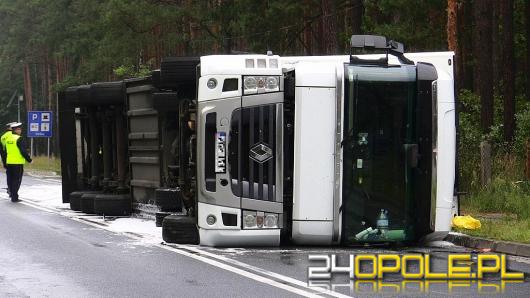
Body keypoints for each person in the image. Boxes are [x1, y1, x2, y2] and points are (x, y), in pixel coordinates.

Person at [5, 122, 32, 202]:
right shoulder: (19, 138)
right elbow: (23, 151)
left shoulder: (8, 139)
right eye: (19, 129)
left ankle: (12, 194)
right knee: (17, 180)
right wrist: (29, 160)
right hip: (17, 163)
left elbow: (6, 150)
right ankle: (14, 197)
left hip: (9, 162)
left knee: (10, 179)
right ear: (15, 130)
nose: (20, 130)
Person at [1, 122, 16, 196]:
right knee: (16, 177)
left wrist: (4, 162)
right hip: (15, 159)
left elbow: (2, 151)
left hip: (6, 160)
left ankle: (10, 189)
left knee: (9, 175)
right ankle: (13, 191)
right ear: (10, 128)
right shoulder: (15, 135)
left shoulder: (3, 137)